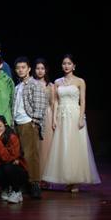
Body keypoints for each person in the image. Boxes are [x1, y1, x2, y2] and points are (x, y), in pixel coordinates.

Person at [42, 55, 101, 192]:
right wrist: (54, 119)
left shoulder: (80, 81)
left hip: (74, 115)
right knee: (63, 147)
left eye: (69, 63)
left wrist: (81, 118)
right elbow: (55, 101)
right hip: (62, 116)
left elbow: (83, 101)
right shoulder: (57, 82)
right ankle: (66, 179)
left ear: (74, 66)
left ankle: (74, 181)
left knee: (75, 147)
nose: (66, 66)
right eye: (64, 63)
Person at [13, 56, 47, 199]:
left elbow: (41, 104)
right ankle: (25, 183)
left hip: (28, 122)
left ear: (28, 69)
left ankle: (35, 184)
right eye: (18, 68)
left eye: (23, 67)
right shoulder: (18, 86)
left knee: (31, 155)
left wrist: (35, 121)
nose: (20, 70)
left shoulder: (34, 84)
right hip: (18, 123)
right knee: (21, 155)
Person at [0, 116, 29, 204]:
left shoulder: (12, 137)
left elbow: (6, 158)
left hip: (18, 171)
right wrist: (3, 162)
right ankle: (6, 189)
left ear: (5, 125)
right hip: (4, 166)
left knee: (8, 167)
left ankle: (16, 191)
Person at [34, 58, 55, 187]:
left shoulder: (51, 86)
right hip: (35, 116)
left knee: (47, 148)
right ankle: (37, 178)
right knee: (37, 148)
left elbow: (53, 104)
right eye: (38, 68)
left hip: (47, 116)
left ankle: (46, 178)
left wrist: (54, 120)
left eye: (42, 68)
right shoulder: (31, 83)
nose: (40, 71)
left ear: (46, 70)